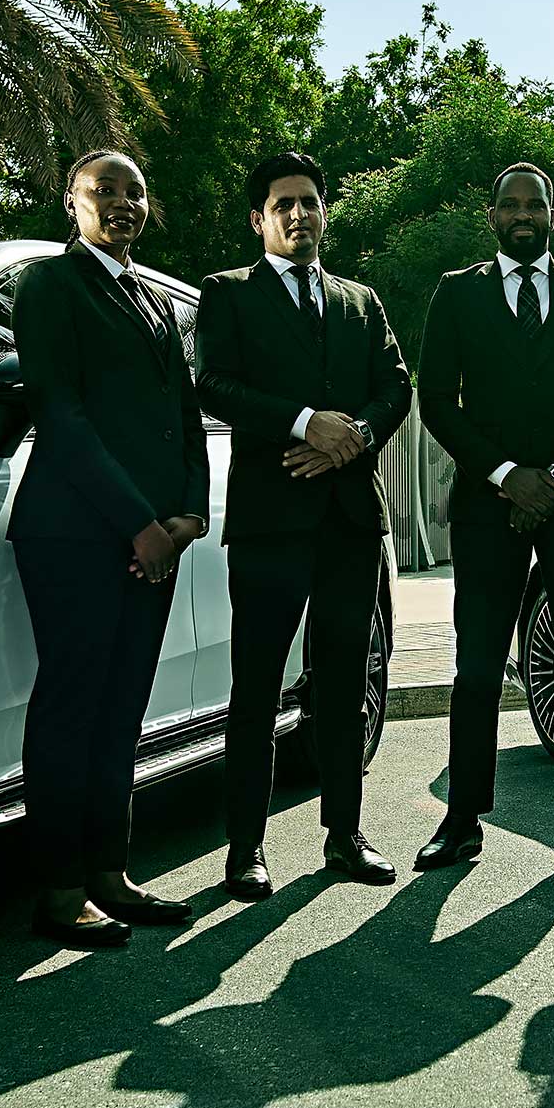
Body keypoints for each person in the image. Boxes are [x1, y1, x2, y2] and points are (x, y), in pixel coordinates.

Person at [195, 150, 411, 900]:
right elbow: (214, 383)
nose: (299, 214)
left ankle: (345, 834)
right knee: (256, 689)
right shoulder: (227, 295)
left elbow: (396, 384)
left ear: (324, 212)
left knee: (347, 683)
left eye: (310, 202)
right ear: (260, 219)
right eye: (283, 203)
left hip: (350, 518)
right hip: (268, 522)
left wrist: (350, 432)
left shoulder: (361, 300)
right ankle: (245, 848)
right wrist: (301, 424)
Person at [8, 149, 211, 945]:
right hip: (73, 532)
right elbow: (63, 416)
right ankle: (60, 889)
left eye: (135, 191)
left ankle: (110, 873)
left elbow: (183, 418)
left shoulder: (155, 300)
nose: (123, 203)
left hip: (152, 538)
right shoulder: (51, 286)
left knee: (122, 706)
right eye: (106, 190)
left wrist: (187, 513)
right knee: (71, 707)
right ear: (72, 201)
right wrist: (140, 522)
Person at [415, 161, 554, 870]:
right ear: (491, 215)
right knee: (477, 668)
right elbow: (438, 403)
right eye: (509, 203)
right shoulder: (456, 295)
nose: (522, 214)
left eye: (533, 204)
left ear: (551, 214)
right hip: (488, 505)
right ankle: (461, 819)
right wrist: (511, 476)